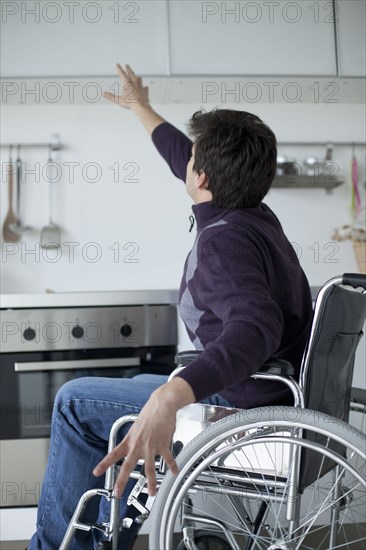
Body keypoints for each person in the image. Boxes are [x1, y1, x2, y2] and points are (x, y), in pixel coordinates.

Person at [29, 64, 313, 550]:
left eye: (193, 159)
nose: (186, 162)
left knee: (74, 402)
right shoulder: (251, 210)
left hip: (237, 407)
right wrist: (141, 109)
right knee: (129, 393)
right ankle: (100, 537)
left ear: (200, 177)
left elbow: (254, 327)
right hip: (269, 395)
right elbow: (184, 156)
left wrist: (173, 394)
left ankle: (60, 547)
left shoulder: (225, 242)